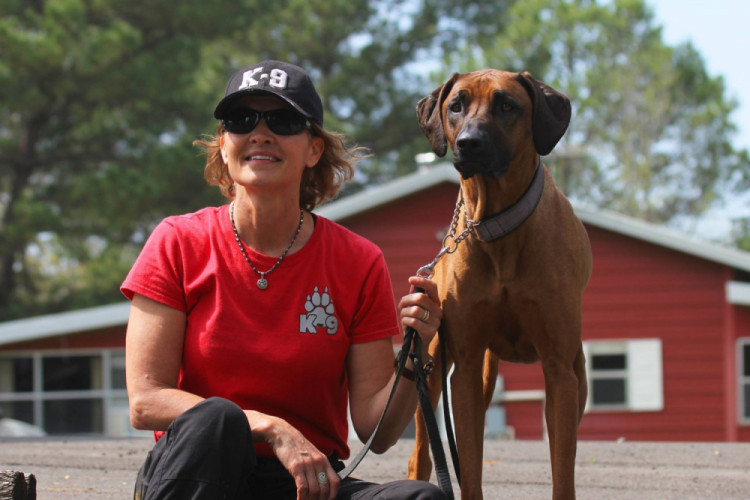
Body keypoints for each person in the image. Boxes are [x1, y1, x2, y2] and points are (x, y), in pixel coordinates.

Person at [122, 59, 447, 500]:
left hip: (305, 483)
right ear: (224, 145)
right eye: (241, 120)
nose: (260, 133)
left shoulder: (358, 260)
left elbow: (378, 429)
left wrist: (418, 349)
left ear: (314, 150)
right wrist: (268, 427)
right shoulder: (177, 240)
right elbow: (145, 400)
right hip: (199, 473)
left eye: (283, 121)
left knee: (423, 498)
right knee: (218, 418)